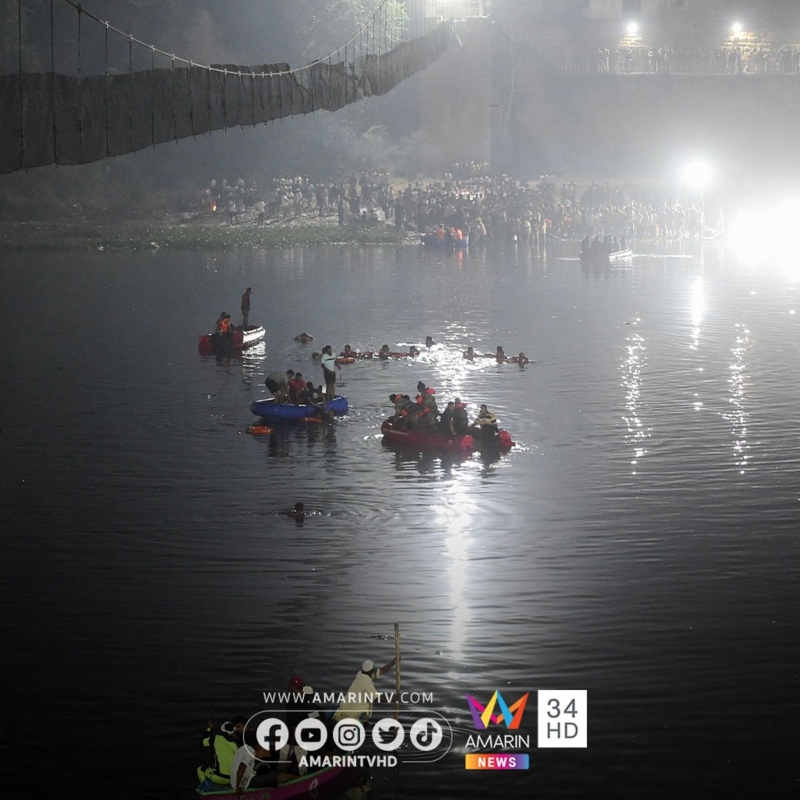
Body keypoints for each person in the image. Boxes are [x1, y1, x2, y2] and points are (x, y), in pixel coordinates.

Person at [333, 656, 398, 723]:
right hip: (352, 713)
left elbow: (381, 671)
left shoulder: (360, 674)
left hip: (344, 707)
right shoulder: (366, 682)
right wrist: (394, 698)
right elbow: (377, 698)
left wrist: (393, 662)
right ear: (371, 672)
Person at [198, 716, 246, 787]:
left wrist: (209, 728)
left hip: (220, 777)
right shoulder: (234, 744)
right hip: (233, 778)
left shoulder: (215, 738)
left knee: (200, 769)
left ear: (222, 728)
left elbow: (201, 743)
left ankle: (206, 788)